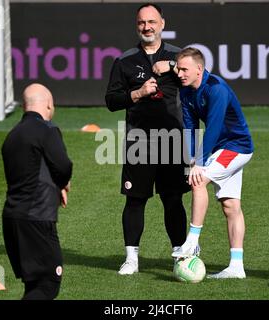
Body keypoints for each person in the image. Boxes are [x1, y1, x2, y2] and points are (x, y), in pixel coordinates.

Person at [105, 3, 190, 275]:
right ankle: (131, 258)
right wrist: (138, 93)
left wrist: (175, 65)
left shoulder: (179, 56)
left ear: (163, 23)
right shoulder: (125, 60)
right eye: (142, 22)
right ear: (136, 25)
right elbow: (111, 100)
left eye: (152, 22)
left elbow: (201, 75)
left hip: (172, 141)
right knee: (135, 199)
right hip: (139, 141)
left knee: (173, 199)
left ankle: (179, 254)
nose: (147, 27)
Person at [171, 47, 254, 280]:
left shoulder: (216, 89)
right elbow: (189, 128)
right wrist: (190, 161)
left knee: (198, 181)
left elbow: (214, 128)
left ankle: (192, 242)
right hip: (222, 149)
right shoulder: (186, 91)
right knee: (230, 206)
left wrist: (200, 164)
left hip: (237, 147)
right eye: (178, 69)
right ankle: (236, 266)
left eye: (184, 69)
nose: (180, 73)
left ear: (200, 69)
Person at [1, 83, 73, 299]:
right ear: (49, 105)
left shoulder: (12, 136)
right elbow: (63, 166)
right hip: (37, 218)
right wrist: (63, 182)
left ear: (24, 106)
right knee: (48, 282)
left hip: (12, 219)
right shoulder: (47, 130)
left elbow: (29, 172)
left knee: (34, 285)